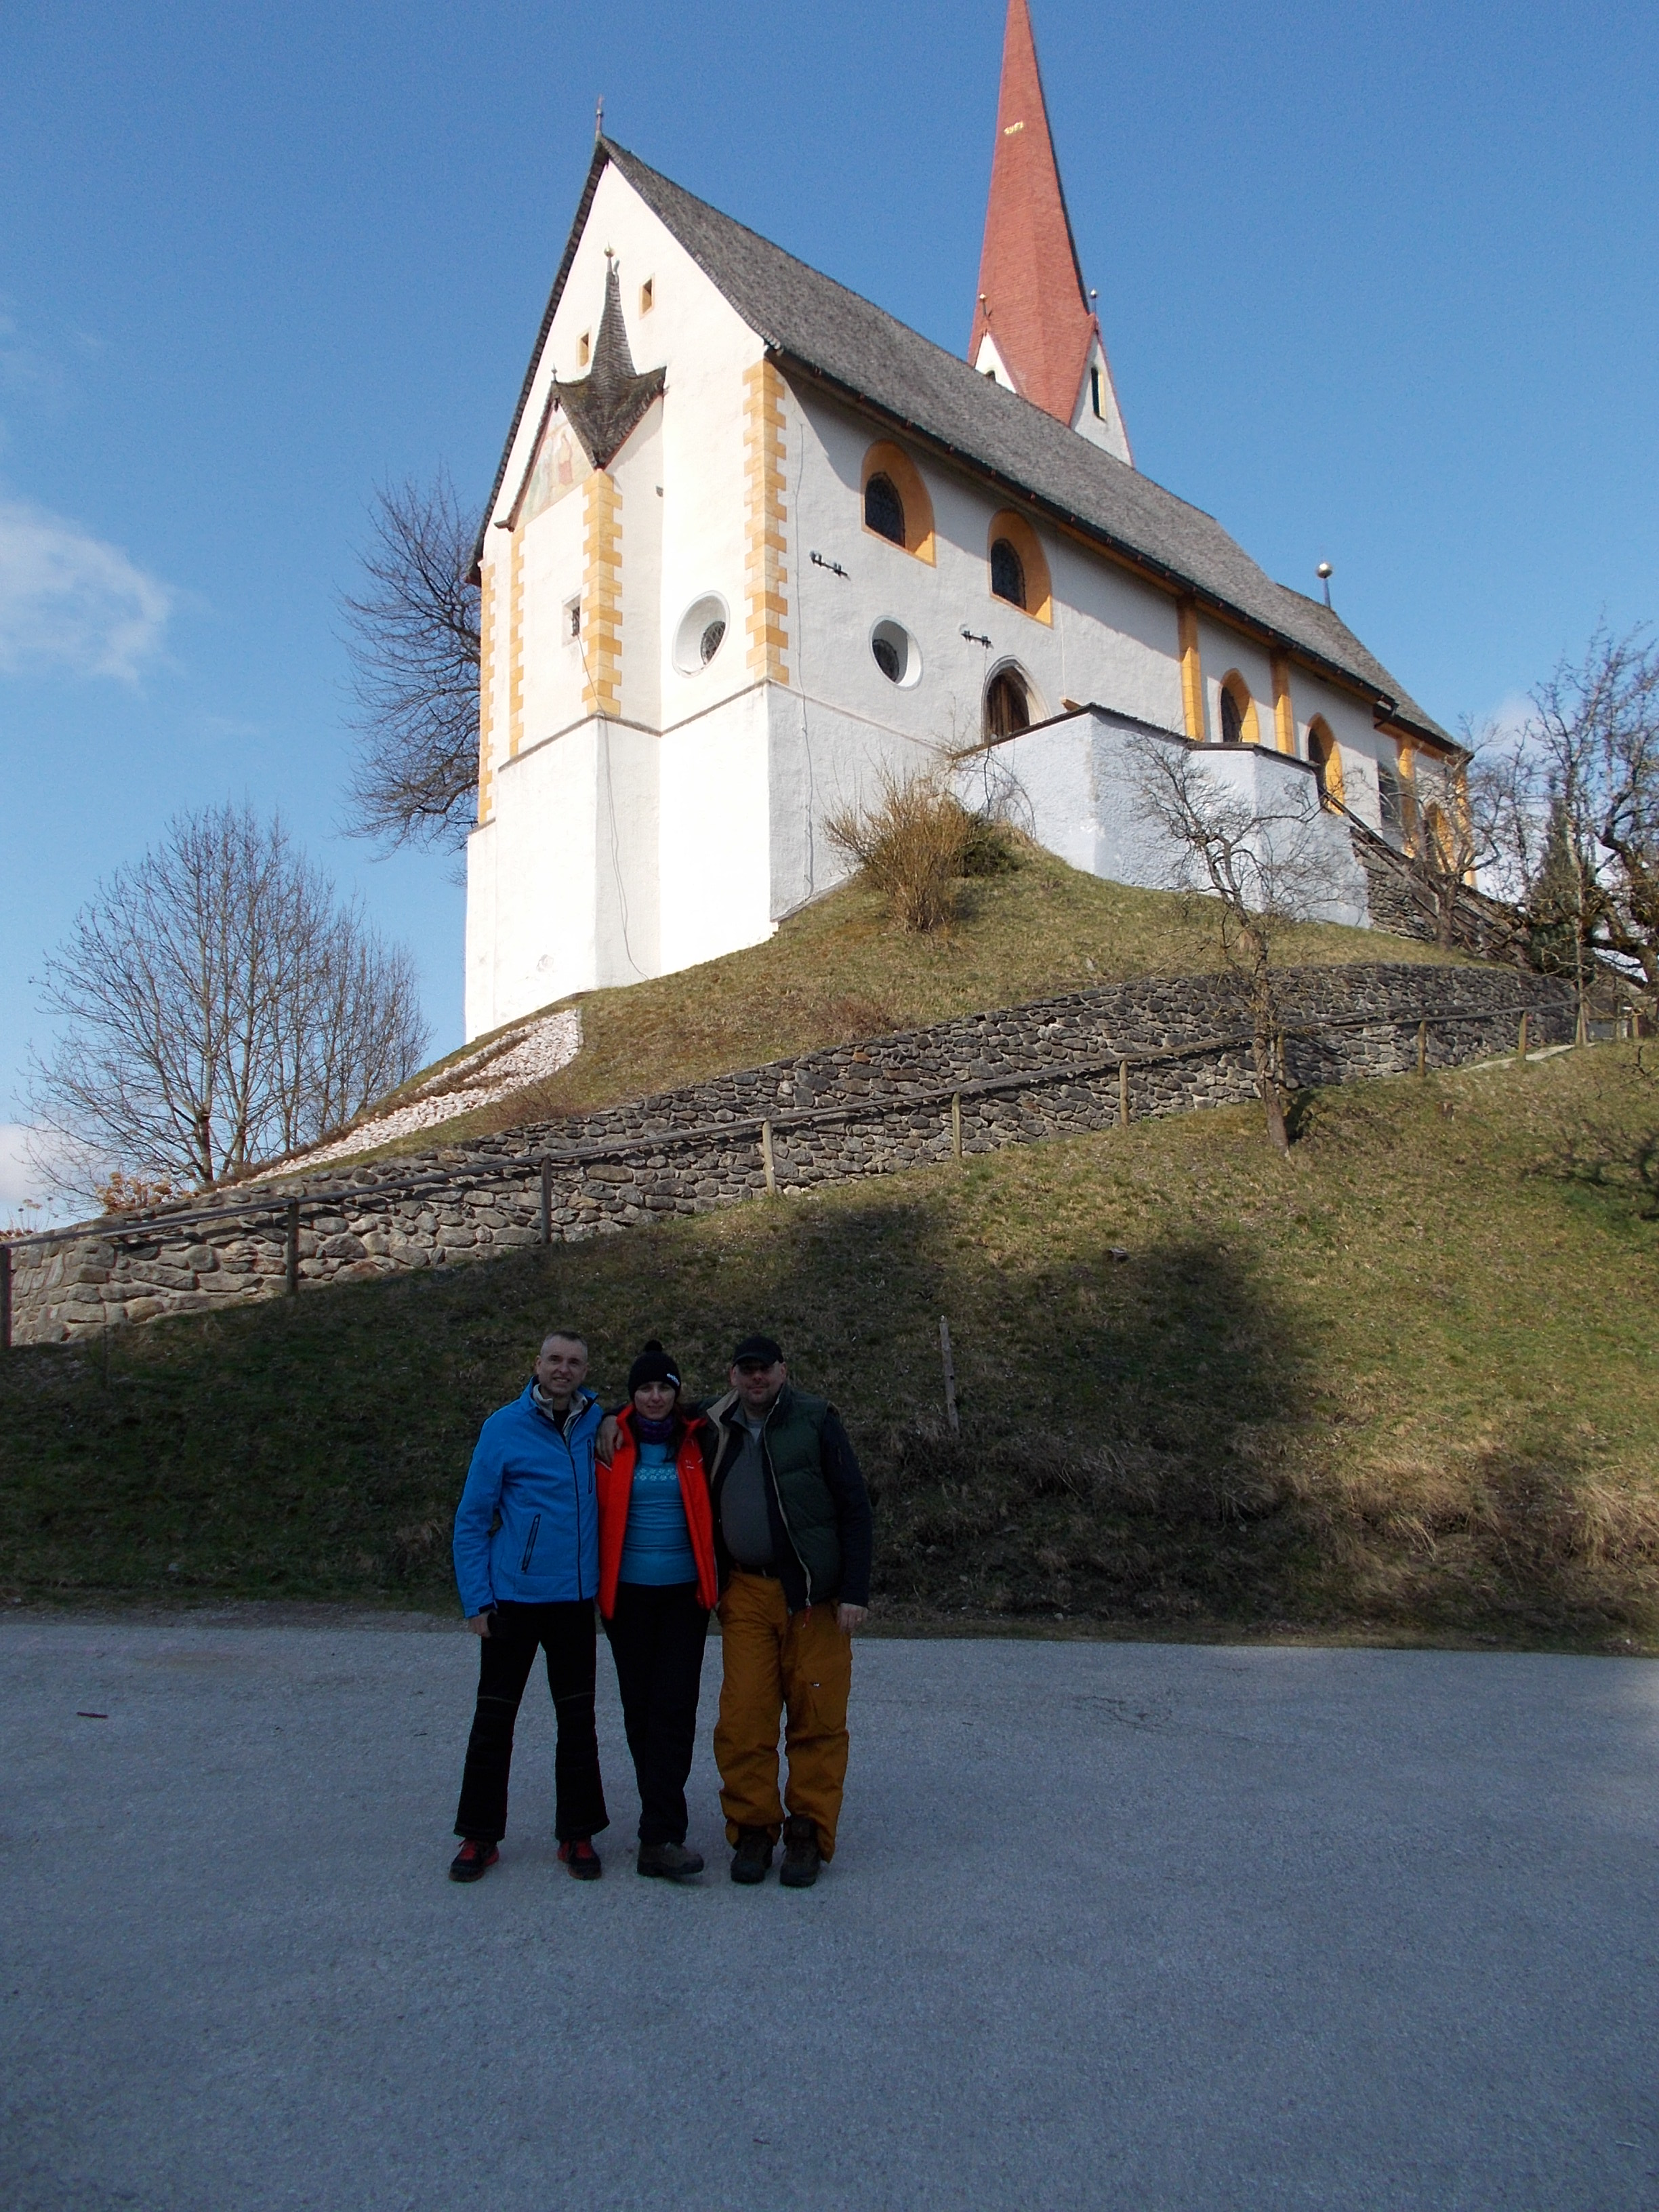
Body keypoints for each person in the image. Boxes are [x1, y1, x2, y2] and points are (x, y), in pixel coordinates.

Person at [705, 1334, 874, 1889]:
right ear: (733, 1375)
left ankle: (808, 1831)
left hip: (812, 1597)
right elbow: (650, 1405)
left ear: (783, 1371)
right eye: (747, 1369)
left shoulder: (817, 1419)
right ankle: (753, 1828)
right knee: (744, 1716)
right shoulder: (713, 1424)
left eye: (766, 1369)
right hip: (746, 1593)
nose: (756, 1378)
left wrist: (855, 1591)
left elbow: (855, 1506)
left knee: (818, 1715)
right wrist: (610, 1419)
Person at [447, 1328, 609, 1883]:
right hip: (512, 1600)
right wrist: (477, 1600)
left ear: (585, 1372)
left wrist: (612, 1419)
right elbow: (473, 1519)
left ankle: (577, 1833)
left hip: (573, 1602)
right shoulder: (503, 1427)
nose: (564, 1369)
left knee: (578, 1722)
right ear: (537, 1365)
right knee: (494, 1721)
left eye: (574, 1362)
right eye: (555, 1359)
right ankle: (479, 1836)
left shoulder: (596, 1422)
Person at [596, 1341, 720, 1882]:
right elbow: (572, 1403)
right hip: (627, 1597)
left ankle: (662, 1833)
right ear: (632, 1395)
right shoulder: (608, 1439)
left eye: (663, 1388)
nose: (653, 1397)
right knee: (640, 1709)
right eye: (644, 1388)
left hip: (683, 1598)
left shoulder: (698, 1436)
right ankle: (659, 1827)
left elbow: (737, 1398)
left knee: (675, 1708)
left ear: (676, 1392)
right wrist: (606, 1414)